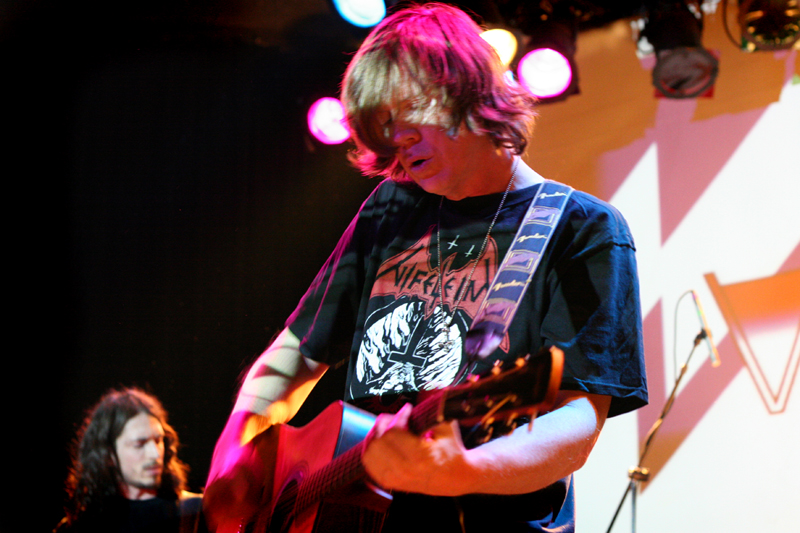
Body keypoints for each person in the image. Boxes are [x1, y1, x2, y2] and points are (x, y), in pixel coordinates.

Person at [204, 3, 648, 532]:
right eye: (382, 124)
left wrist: (463, 469)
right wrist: (235, 444)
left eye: (407, 111)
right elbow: (295, 353)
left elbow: (576, 421)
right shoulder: (389, 209)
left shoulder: (582, 228)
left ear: (468, 87)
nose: (397, 139)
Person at [56, 387, 207, 533]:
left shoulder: (196, 513)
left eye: (158, 440)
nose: (155, 453)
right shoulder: (79, 526)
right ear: (109, 455)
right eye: (139, 444)